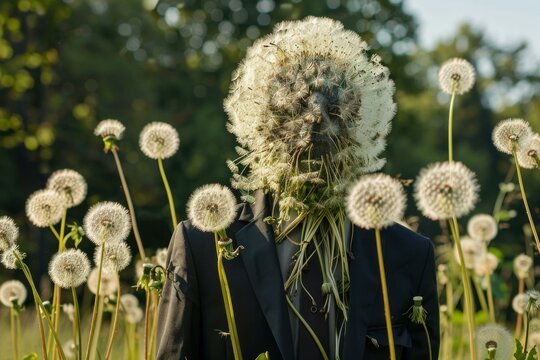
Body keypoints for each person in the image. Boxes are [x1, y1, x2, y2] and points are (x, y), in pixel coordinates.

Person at [157, 16, 439, 360]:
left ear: (359, 121)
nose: (314, 125)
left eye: (333, 109)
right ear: (264, 123)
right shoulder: (202, 245)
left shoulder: (406, 254)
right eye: (297, 110)